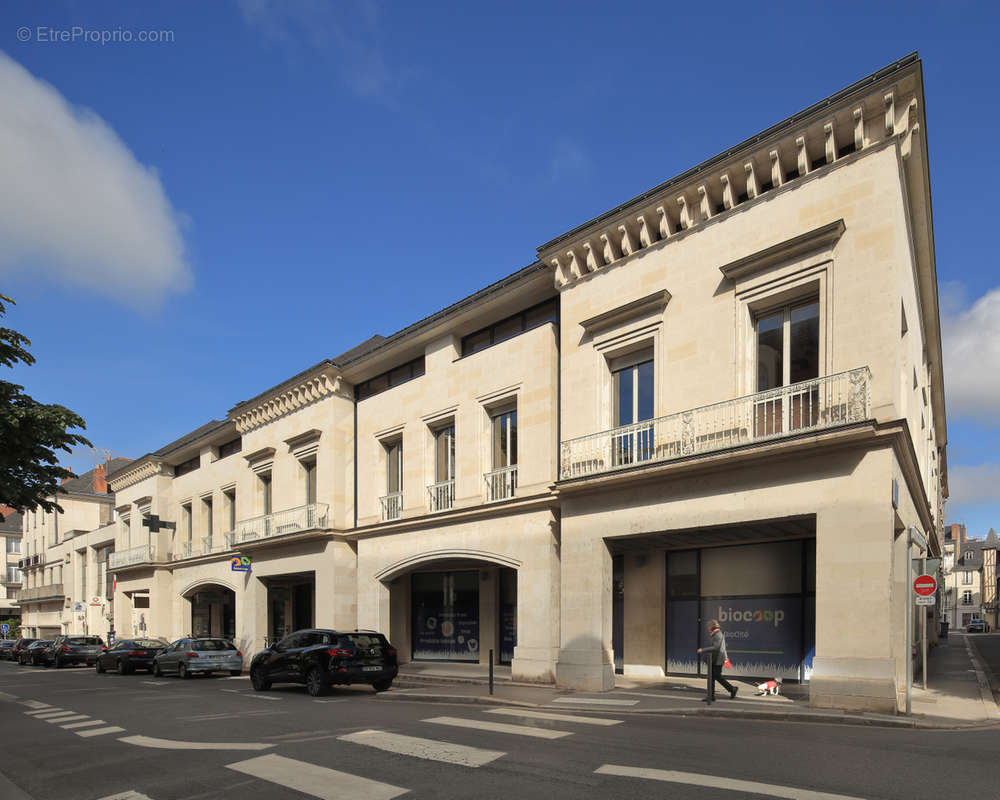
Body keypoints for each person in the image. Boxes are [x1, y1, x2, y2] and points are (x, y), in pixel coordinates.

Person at [697, 619, 737, 703]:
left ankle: (732, 689)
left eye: (708, 626)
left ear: (712, 626)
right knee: (712, 677)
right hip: (715, 659)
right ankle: (711, 696)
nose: (708, 628)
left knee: (716, 676)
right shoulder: (715, 634)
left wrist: (703, 650)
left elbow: (716, 647)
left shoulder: (718, 634)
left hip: (718, 659)